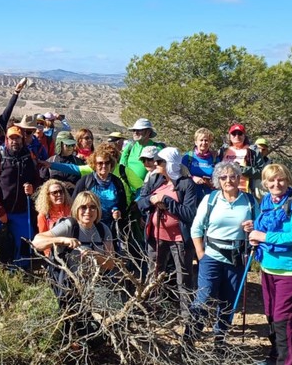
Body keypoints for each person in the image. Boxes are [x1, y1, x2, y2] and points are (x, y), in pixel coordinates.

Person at [248, 164, 292, 365]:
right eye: (271, 180)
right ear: (265, 183)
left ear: (288, 180)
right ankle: (275, 356)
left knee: (283, 319)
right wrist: (254, 232)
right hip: (269, 267)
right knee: (271, 315)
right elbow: (264, 228)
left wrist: (263, 236)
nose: (276, 184)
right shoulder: (266, 202)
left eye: (280, 179)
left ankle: (285, 361)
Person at [187, 162, 257, 346]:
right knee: (204, 297)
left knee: (228, 302)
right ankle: (189, 339)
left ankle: (220, 341)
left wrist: (253, 227)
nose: (229, 180)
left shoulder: (249, 201)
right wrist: (201, 254)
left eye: (233, 176)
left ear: (239, 178)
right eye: (224, 177)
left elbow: (260, 227)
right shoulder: (211, 199)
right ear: (218, 180)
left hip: (237, 258)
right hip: (211, 257)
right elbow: (196, 229)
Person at [31, 190, 114, 344]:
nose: (88, 211)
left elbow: (111, 263)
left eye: (92, 207)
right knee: (65, 331)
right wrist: (62, 240)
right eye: (83, 207)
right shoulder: (70, 225)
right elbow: (37, 242)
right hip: (66, 288)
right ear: (76, 209)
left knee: (109, 323)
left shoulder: (103, 229)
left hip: (92, 286)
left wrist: (94, 255)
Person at [136, 147, 199, 309]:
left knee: (183, 279)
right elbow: (141, 203)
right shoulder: (155, 179)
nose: (155, 164)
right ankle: (152, 312)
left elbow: (190, 214)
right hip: (156, 236)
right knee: (154, 276)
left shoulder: (187, 184)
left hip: (179, 239)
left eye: (159, 161)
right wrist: (152, 200)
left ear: (170, 163)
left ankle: (187, 320)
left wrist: (167, 202)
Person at [0, 126, 42, 270]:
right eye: (11, 138)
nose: (14, 141)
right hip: (1, 209)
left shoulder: (29, 157)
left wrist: (33, 187)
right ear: (6, 140)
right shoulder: (0, 156)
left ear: (22, 139)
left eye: (17, 138)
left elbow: (37, 179)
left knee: (26, 241)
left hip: (21, 210)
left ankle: (20, 270)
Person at [73, 143, 129, 256]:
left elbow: (123, 204)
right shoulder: (85, 181)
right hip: (89, 225)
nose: (104, 166)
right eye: (100, 163)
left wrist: (118, 211)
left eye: (107, 163)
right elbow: (75, 204)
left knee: (109, 256)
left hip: (110, 226)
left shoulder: (117, 182)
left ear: (111, 164)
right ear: (94, 164)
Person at [119, 118, 166, 201]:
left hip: (149, 191)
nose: (135, 133)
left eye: (139, 130)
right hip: (128, 191)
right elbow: (122, 166)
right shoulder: (130, 147)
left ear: (148, 132)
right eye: (134, 130)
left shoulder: (157, 148)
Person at [218, 123, 264, 194]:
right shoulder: (222, 151)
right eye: (234, 134)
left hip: (245, 192)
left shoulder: (252, 152)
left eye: (240, 133)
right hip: (223, 192)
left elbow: (262, 172)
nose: (237, 136)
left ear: (244, 136)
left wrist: (241, 169)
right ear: (230, 136)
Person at [35, 179, 73, 256]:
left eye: (61, 191)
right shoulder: (43, 215)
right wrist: (49, 256)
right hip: (55, 253)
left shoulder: (73, 209)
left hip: (73, 250)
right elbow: (43, 239)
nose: (59, 194)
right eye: (54, 193)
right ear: (48, 196)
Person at [182, 128, 218, 193]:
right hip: (191, 196)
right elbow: (181, 175)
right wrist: (192, 178)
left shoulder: (215, 158)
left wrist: (211, 183)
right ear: (196, 142)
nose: (204, 143)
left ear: (210, 142)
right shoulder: (188, 157)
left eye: (206, 140)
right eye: (201, 140)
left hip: (210, 195)